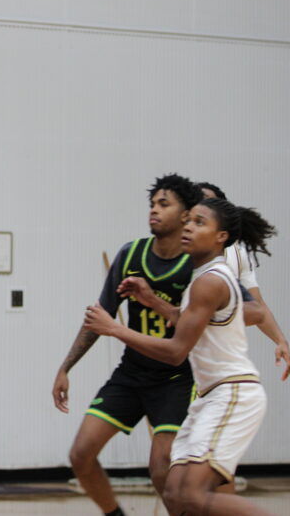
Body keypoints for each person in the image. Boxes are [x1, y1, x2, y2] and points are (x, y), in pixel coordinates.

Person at [84, 197, 275, 515]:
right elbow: (186, 321)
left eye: (200, 222)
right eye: (189, 220)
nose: (188, 226)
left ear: (221, 237)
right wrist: (151, 299)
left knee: (193, 495)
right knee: (173, 491)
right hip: (210, 396)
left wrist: (115, 329)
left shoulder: (210, 281)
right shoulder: (203, 278)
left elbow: (175, 352)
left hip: (233, 392)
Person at [51, 174, 202, 516]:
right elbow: (99, 317)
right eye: (152, 204)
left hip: (177, 378)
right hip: (131, 373)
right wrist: (65, 367)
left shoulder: (195, 266)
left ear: (185, 214)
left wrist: (152, 304)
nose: (154, 210)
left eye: (164, 204)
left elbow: (189, 329)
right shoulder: (131, 254)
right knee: (81, 454)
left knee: (162, 468)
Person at [196, 182, 289, 380]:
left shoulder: (237, 255)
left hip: (214, 357)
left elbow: (258, 307)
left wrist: (280, 340)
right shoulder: (176, 247)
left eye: (208, 203)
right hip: (177, 354)